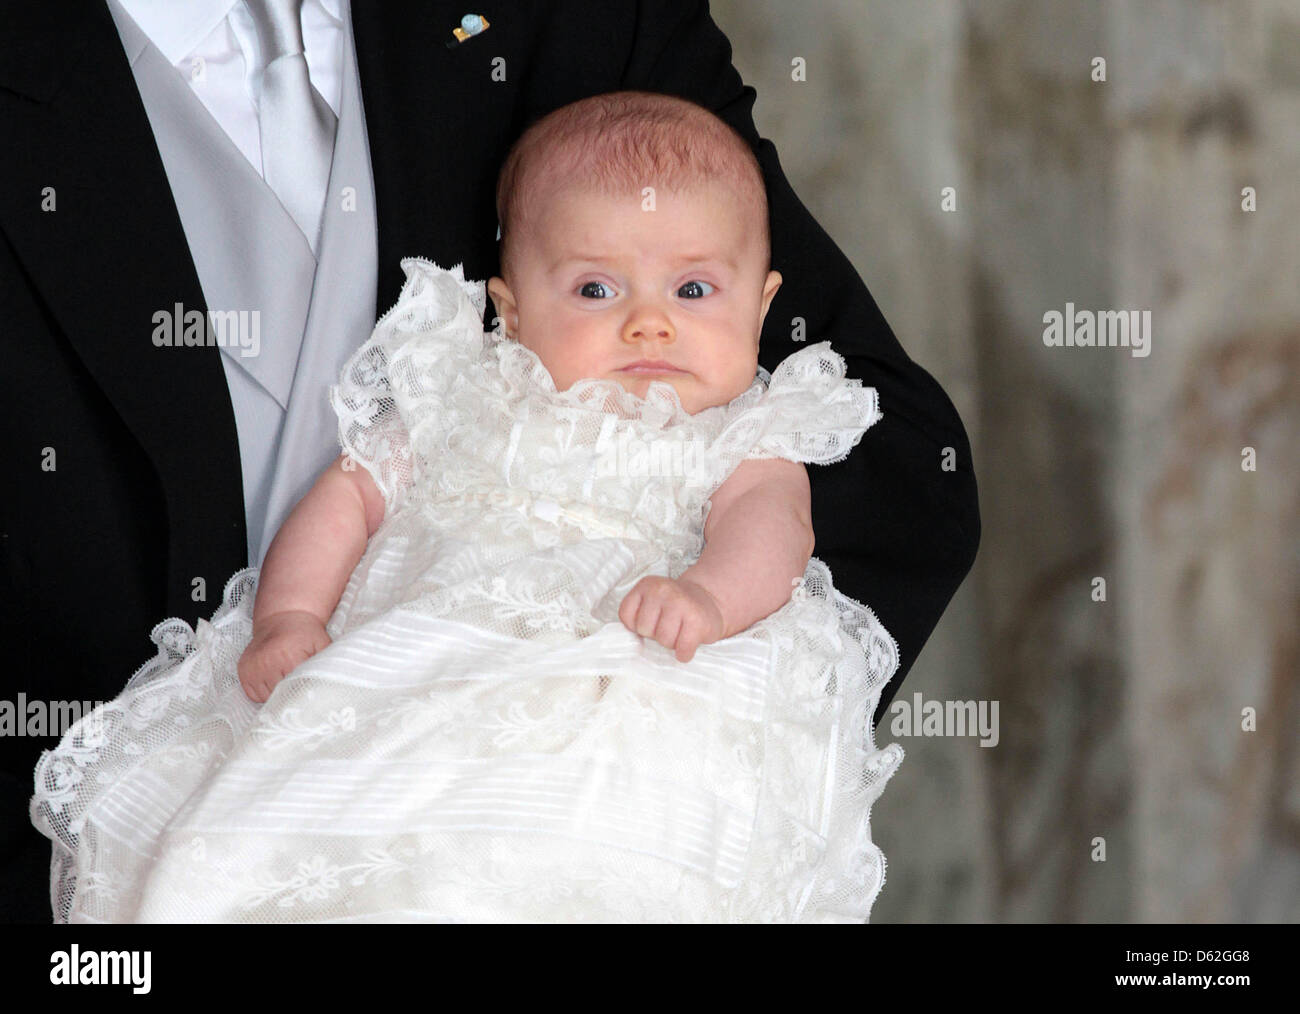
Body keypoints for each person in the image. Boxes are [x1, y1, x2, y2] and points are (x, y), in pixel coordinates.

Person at [1, 0, 979, 922]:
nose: (648, 320)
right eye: (597, 288)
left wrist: (690, 712)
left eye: (683, 290)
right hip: (285, 746)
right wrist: (291, 621)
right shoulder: (463, 385)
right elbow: (350, 495)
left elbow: (889, 464)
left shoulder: (572, 21)